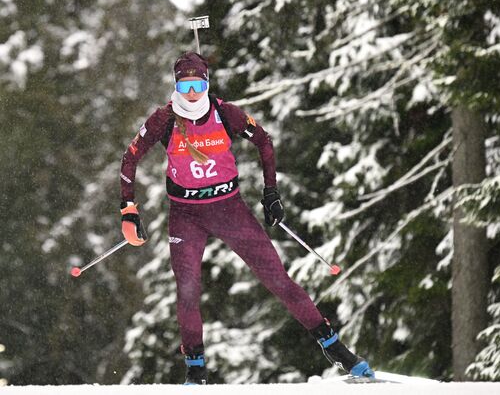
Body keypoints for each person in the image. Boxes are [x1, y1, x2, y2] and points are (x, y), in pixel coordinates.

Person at [119, 51, 374, 385]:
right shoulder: (163, 119)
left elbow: (264, 142)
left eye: (198, 84)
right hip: (186, 215)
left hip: (229, 209)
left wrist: (271, 194)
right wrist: (128, 209)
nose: (192, 92)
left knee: (277, 279)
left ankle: (336, 349)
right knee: (187, 291)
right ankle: (196, 369)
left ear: (207, 83)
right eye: (185, 85)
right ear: (176, 86)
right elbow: (130, 158)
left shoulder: (226, 113)